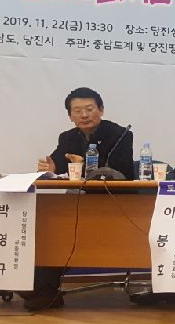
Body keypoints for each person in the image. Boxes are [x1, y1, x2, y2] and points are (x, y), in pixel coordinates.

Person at [27, 87, 134, 311]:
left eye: (89, 109)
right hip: (78, 202)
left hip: (116, 203)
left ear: (101, 110)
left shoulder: (120, 134)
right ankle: (43, 290)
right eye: (77, 111)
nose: (84, 115)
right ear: (70, 116)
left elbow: (123, 171)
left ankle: (43, 288)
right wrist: (50, 168)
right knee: (57, 230)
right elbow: (57, 164)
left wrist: (85, 166)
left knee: (69, 225)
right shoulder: (67, 137)